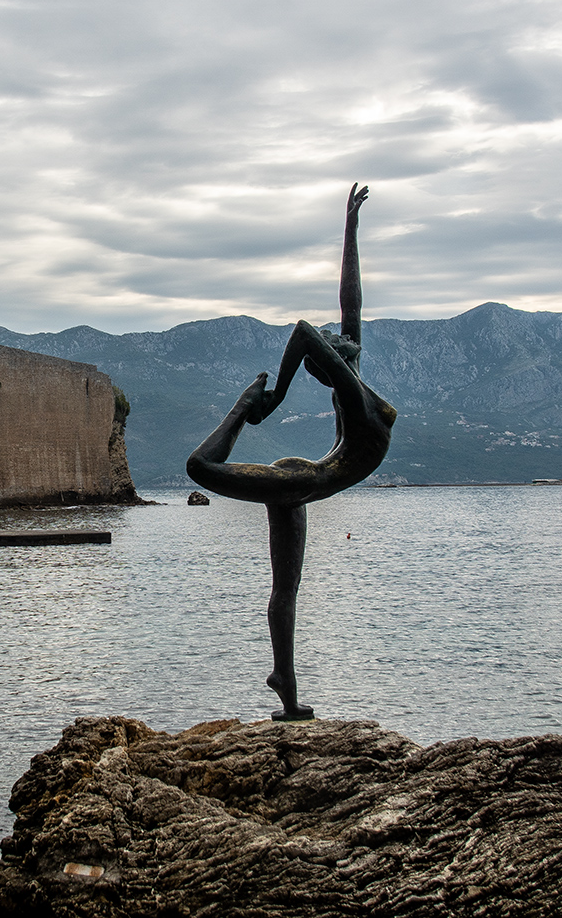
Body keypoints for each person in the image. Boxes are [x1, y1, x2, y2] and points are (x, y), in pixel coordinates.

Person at [186, 183, 395, 720]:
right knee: (200, 468)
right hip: (303, 481)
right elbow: (306, 332)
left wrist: (350, 227)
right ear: (332, 362)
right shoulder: (354, 394)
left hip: (303, 482)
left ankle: (287, 686)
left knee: (287, 591)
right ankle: (238, 409)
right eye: (336, 341)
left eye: (338, 337)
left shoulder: (354, 391)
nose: (339, 334)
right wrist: (265, 401)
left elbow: (351, 301)